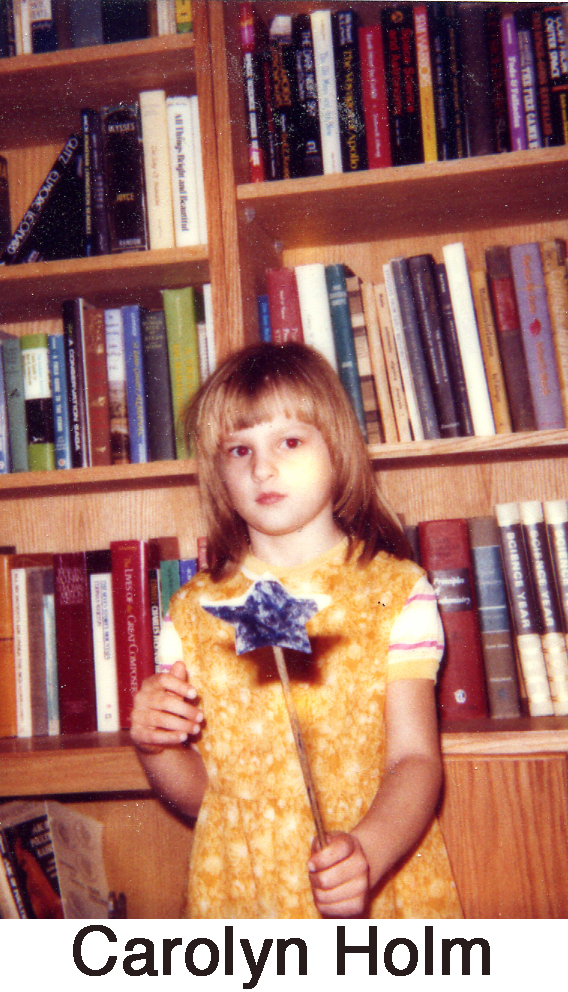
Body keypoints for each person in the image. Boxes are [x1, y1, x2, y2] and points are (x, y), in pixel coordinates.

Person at [130, 341, 461, 918]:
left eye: (289, 441)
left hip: (370, 886)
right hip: (240, 895)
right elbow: (205, 796)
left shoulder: (395, 594)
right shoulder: (191, 615)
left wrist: (370, 852)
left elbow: (415, 760)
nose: (262, 468)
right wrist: (155, 747)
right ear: (218, 473)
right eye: (239, 449)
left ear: (337, 448)